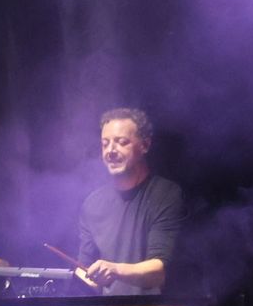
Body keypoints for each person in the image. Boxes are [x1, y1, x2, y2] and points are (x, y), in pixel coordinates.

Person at [77, 108, 184, 295]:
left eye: (121, 142)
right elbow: (83, 266)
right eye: (105, 144)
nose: (110, 151)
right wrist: (85, 276)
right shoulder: (92, 203)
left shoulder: (166, 194)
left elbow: (159, 271)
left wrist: (115, 270)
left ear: (145, 145)